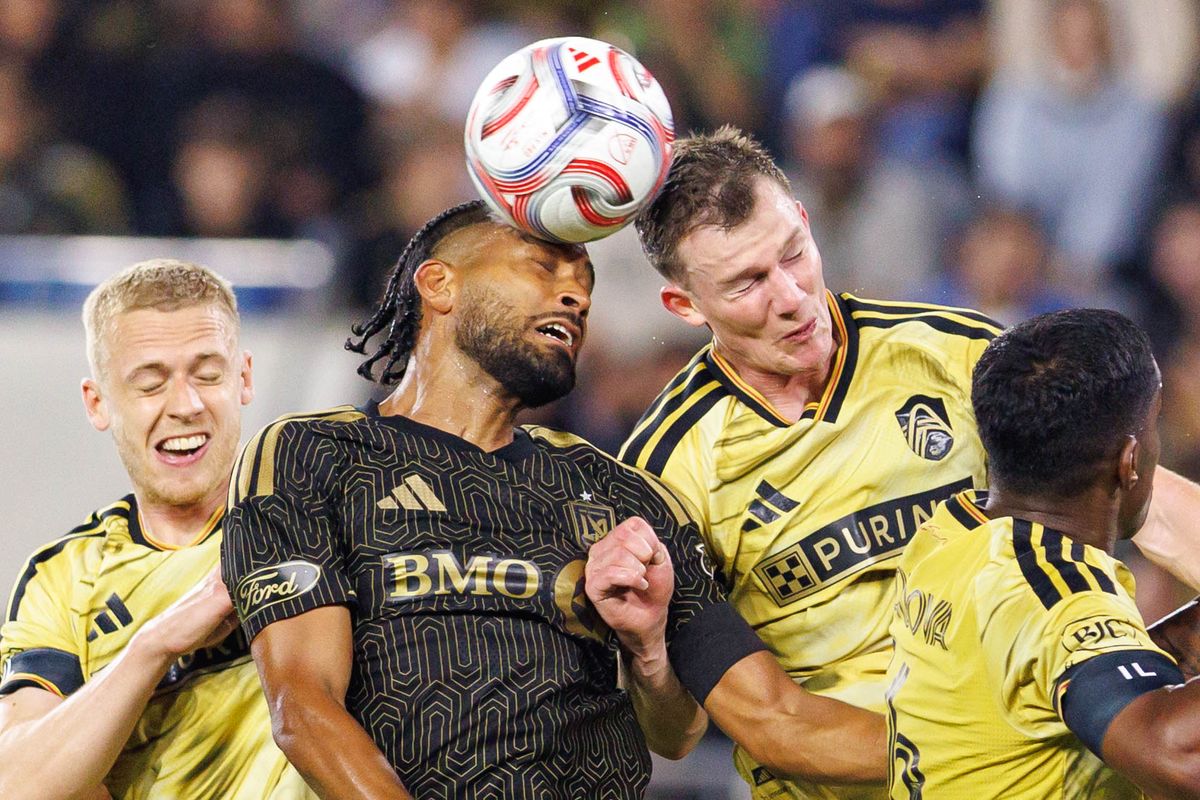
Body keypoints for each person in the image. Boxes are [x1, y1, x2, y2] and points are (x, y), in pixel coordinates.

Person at [220, 200, 887, 799]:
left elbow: (682, 732)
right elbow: (303, 708)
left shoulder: (625, 494)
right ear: (439, 284)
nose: (575, 296)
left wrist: (649, 650)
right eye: (543, 270)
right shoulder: (314, 456)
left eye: (585, 286)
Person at [620, 125, 1200, 799]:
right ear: (684, 305)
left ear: (805, 221)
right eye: (748, 282)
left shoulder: (955, 357)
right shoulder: (666, 472)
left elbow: (1143, 499)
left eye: (794, 253)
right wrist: (989, 746)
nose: (791, 296)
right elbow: (721, 728)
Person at [0, 260, 313, 798]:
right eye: (150, 383)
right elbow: (16, 781)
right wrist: (155, 645)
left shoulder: (322, 515)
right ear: (98, 403)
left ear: (244, 378)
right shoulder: (63, 579)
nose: (186, 406)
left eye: (208, 375)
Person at [886, 308, 1200, 799]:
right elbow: (1179, 756)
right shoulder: (1055, 590)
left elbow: (1080, 669)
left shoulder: (950, 533)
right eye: (1155, 423)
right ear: (1130, 461)